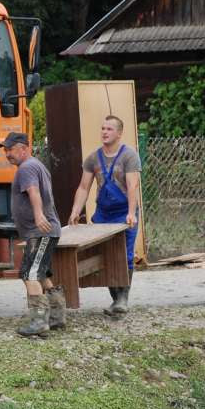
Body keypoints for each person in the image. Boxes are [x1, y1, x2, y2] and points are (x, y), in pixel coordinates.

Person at [68, 115, 141, 317]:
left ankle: (122, 299)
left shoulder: (129, 156)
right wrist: (76, 211)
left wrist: (131, 212)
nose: (104, 132)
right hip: (103, 213)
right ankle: (114, 297)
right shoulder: (93, 158)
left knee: (125, 255)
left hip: (123, 212)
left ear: (119, 133)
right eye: (102, 128)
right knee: (105, 255)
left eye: (109, 129)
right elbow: (84, 187)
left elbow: (133, 186)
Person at [0, 132, 67, 337]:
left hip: (40, 231)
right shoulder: (36, 165)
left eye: (10, 149)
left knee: (30, 273)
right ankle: (57, 315)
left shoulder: (27, 168)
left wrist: (38, 216)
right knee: (42, 273)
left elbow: (33, 192)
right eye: (5, 150)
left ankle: (39, 321)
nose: (7, 154)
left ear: (24, 148)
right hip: (40, 231)